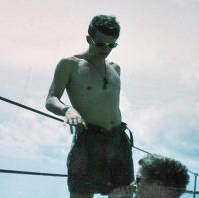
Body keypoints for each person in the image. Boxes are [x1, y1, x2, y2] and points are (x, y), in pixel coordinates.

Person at [45, 15, 134, 198]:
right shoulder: (70, 64)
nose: (106, 49)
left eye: (112, 45)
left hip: (118, 141)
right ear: (88, 38)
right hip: (88, 142)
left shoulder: (115, 68)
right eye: (100, 44)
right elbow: (51, 99)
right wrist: (67, 109)